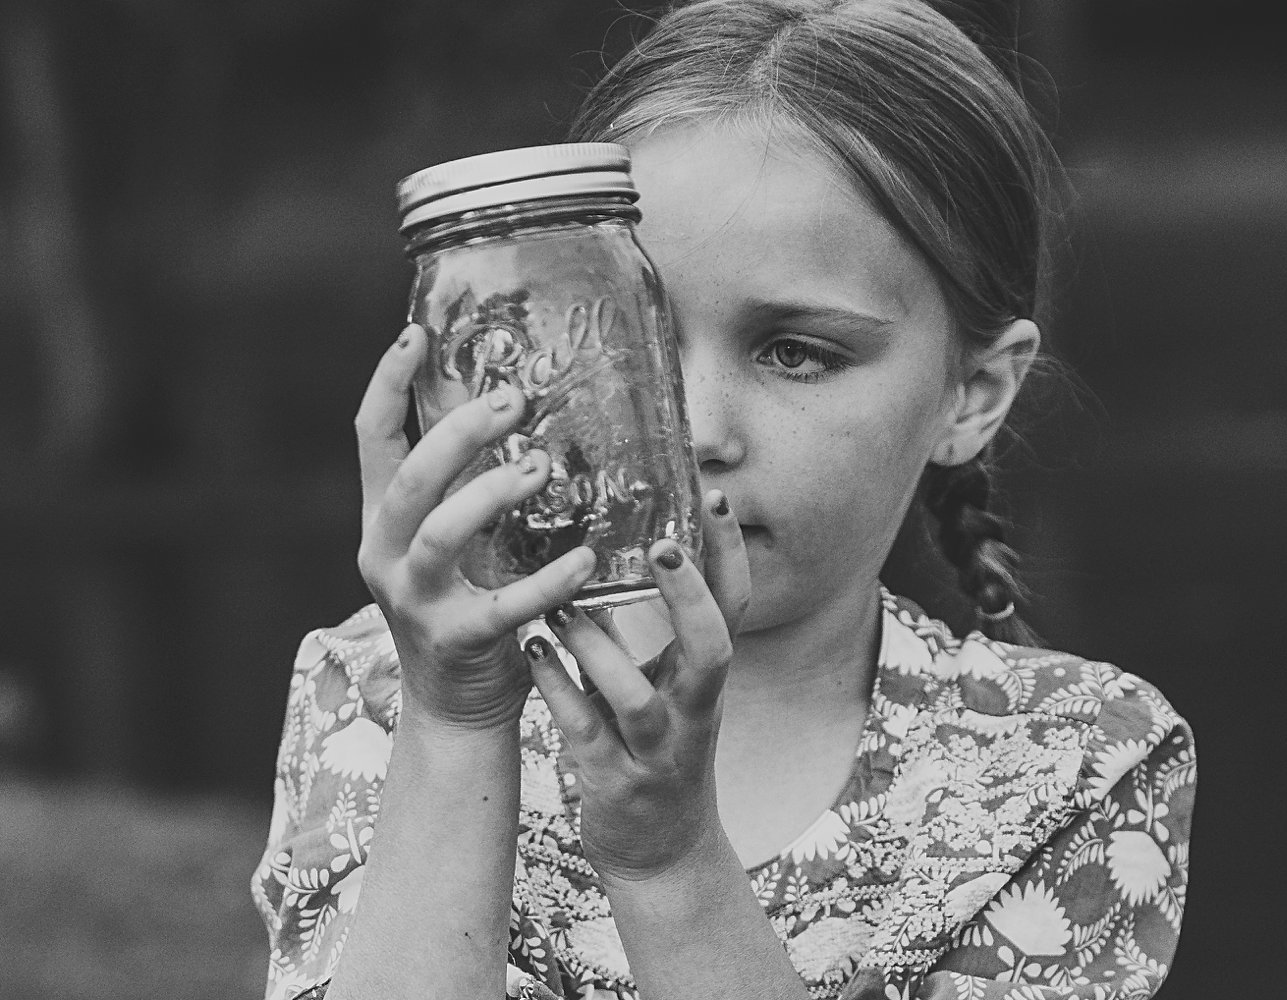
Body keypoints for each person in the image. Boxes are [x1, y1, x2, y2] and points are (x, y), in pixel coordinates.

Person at [253, 1, 1196, 998]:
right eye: (635, 333)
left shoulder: (1070, 762)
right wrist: (454, 727)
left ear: (974, 395)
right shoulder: (377, 692)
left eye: (795, 351)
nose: (690, 425)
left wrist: (670, 859)